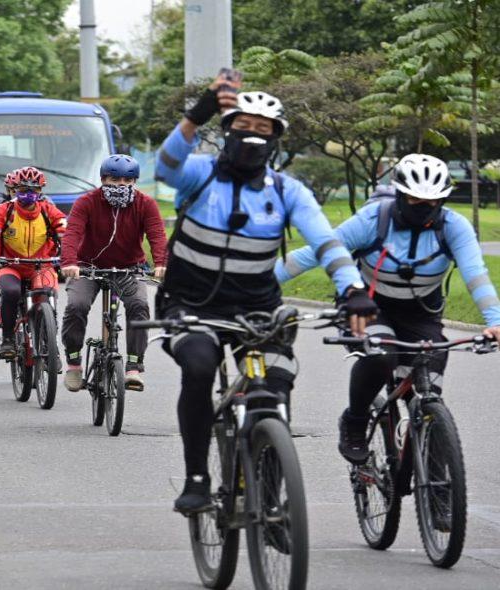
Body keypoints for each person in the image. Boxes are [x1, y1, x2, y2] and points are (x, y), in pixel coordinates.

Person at [154, 73, 378, 513]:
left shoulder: (288, 191)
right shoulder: (199, 175)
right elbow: (165, 166)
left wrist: (352, 289)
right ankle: (197, 477)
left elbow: (326, 243)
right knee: (199, 367)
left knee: (274, 388)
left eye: (263, 131)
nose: (251, 137)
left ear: (275, 141)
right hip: (190, 304)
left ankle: (273, 499)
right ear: (227, 131)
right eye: (243, 128)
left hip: (257, 306)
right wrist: (197, 115)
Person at [276, 153, 500, 464]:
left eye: (433, 201)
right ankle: (355, 421)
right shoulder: (373, 220)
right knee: (382, 356)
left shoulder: (453, 226)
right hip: (370, 307)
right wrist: (257, 282)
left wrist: (497, 321)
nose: (424, 207)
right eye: (415, 199)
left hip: (421, 312)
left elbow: (476, 276)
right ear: (399, 194)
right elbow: (315, 254)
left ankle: (436, 476)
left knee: (429, 381)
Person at [59, 155, 168, 393]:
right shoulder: (86, 202)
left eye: (128, 180)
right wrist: (69, 262)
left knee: (139, 305)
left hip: (129, 268)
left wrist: (161, 262)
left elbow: (157, 235)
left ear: (135, 181)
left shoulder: (145, 203)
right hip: (88, 267)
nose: (121, 184)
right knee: (77, 305)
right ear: (102, 179)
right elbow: (73, 233)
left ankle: (133, 366)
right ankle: (74, 362)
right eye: (114, 178)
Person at [0, 167, 66, 358]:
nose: (28, 194)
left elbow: (65, 231)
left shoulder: (48, 210)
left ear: (41, 192)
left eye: (33, 190)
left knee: (47, 294)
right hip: (8, 265)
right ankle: (8, 339)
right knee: (11, 292)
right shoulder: (3, 210)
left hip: (41, 265)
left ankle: (49, 347)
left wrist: (72, 256)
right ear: (13, 191)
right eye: (22, 190)